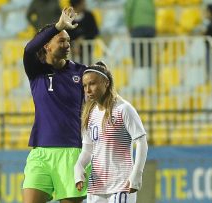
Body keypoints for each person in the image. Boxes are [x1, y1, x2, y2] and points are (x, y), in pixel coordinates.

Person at [22, 7, 90, 203]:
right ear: (47, 46)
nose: (67, 45)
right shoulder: (36, 72)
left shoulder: (82, 72)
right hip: (40, 152)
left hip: (72, 152)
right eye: (61, 40)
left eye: (68, 40)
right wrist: (58, 26)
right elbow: (29, 49)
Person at [74, 61, 148, 203]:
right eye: (84, 85)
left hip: (121, 185)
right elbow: (88, 150)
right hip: (96, 187)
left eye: (92, 84)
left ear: (106, 83)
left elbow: (141, 142)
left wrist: (137, 174)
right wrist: (79, 166)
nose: (88, 90)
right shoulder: (89, 114)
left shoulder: (123, 109)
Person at [124, 0, 156, 68]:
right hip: (150, 28)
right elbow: (153, 11)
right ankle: (147, 72)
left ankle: (139, 72)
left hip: (138, 28)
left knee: (137, 53)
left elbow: (128, 9)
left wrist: (129, 25)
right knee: (148, 54)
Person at [67, 0, 99, 64]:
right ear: (78, 4)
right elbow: (66, 34)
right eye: (83, 2)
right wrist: (72, 45)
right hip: (71, 54)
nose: (85, 4)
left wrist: (83, 38)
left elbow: (95, 31)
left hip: (87, 52)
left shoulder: (89, 16)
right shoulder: (67, 18)